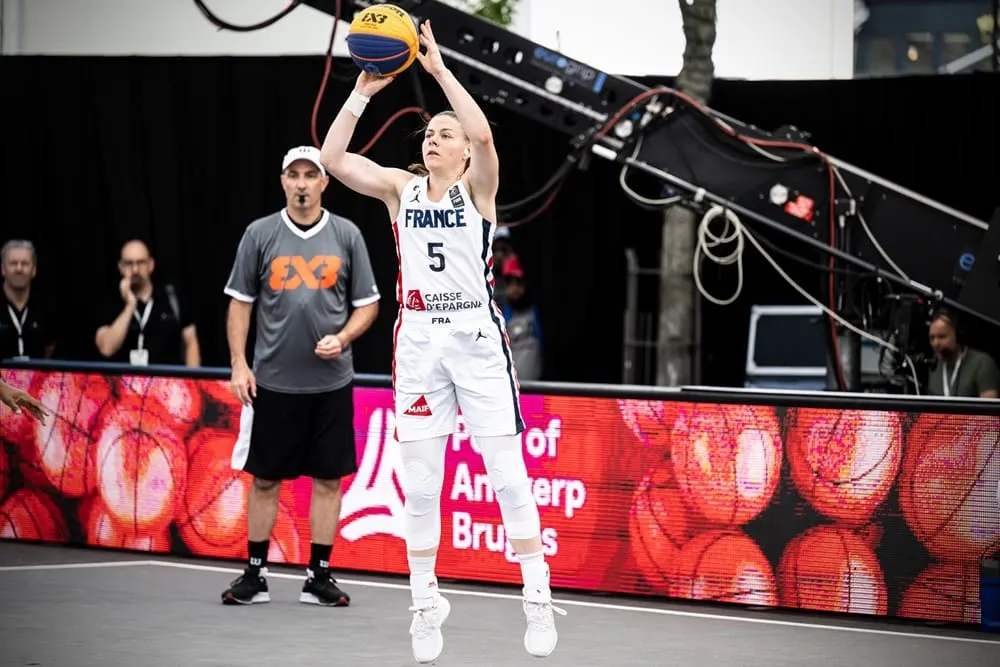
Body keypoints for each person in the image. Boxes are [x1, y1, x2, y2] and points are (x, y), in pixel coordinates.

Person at [320, 20, 562, 664]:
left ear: (460, 153)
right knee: (422, 485)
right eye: (429, 133)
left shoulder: (478, 190)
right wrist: (363, 92)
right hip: (421, 341)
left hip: (477, 339)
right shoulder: (401, 191)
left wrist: (438, 71)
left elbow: (482, 131)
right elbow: (334, 160)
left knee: (508, 477)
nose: (436, 137)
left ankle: (536, 596)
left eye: (444, 134)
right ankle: (424, 604)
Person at [221, 145, 381, 608]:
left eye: (312, 174)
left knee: (329, 480)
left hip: (330, 385)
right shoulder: (260, 234)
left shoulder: (347, 234)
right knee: (266, 479)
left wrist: (345, 337)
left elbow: (368, 302)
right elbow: (240, 301)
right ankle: (254, 574)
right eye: (295, 175)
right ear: (283, 181)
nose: (304, 183)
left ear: (325, 182)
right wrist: (238, 363)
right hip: (273, 383)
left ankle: (319, 575)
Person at [95, 240, 201, 367]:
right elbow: (106, 348)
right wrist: (130, 306)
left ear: (151, 265)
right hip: (123, 384)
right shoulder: (110, 302)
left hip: (168, 383)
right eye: (129, 264)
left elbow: (190, 341)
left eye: (140, 262)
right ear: (120, 267)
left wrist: (193, 381)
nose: (135, 269)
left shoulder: (172, 297)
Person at [0, 239, 57, 360]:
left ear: (34, 270)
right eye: (13, 263)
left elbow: (50, 347)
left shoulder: (45, 308)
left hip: (37, 378)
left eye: (25, 264)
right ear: (3, 269)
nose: (19, 269)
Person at [925, 309, 1000, 399]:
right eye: (932, 338)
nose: (935, 343)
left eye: (942, 337)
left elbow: (988, 409)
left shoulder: (982, 363)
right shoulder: (935, 368)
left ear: (958, 335)